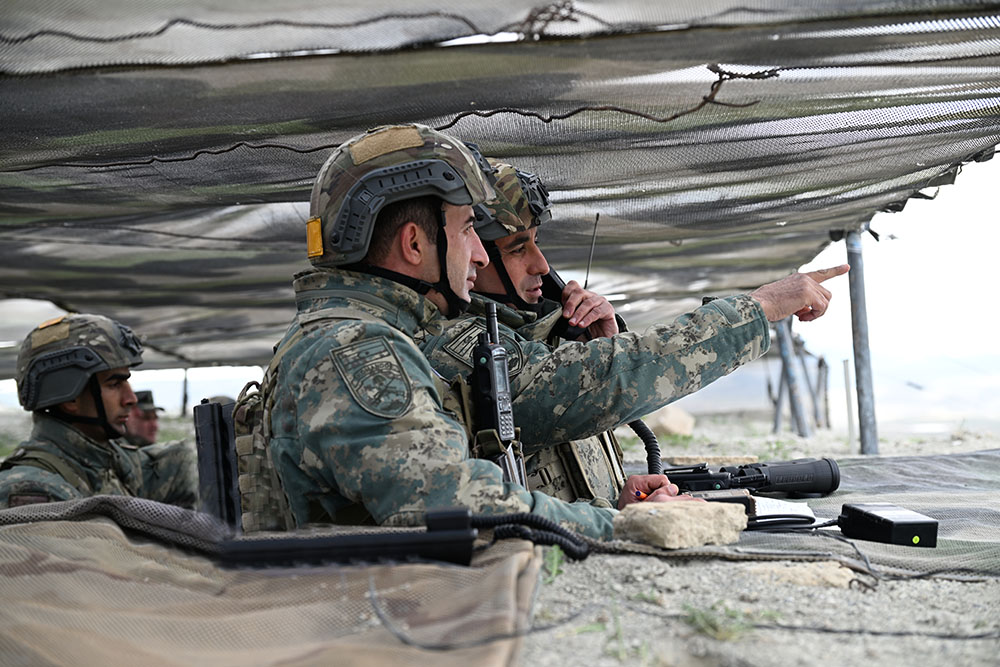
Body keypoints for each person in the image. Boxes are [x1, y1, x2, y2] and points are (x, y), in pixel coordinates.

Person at [262, 123, 692, 541]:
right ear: (414, 244)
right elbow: (451, 504)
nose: (480, 256)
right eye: (468, 229)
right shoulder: (354, 349)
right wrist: (625, 525)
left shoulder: (356, 336)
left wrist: (610, 508)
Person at [415, 160, 628, 504]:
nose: (542, 265)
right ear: (469, 255)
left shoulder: (541, 334)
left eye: (536, 242)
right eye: (517, 249)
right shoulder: (458, 346)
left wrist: (604, 343)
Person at [0, 314, 199, 509]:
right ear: (70, 399)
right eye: (114, 384)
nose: (131, 399)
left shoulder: (106, 460)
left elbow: (175, 463)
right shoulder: (33, 491)